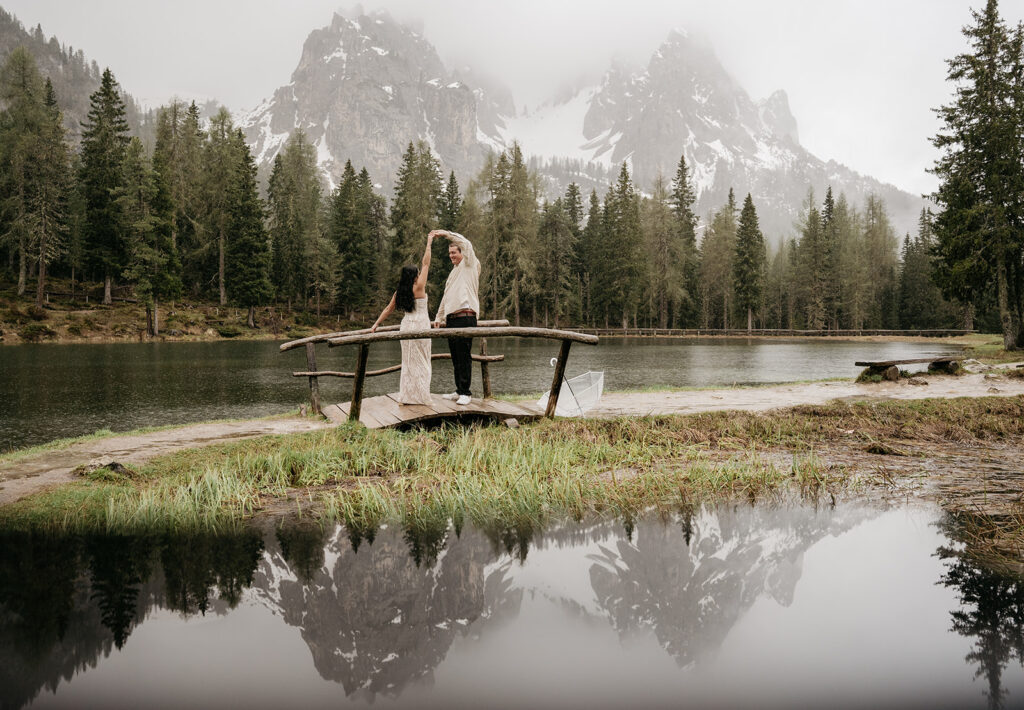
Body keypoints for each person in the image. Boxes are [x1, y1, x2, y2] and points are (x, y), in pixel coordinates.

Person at [370, 233, 433, 404]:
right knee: (423, 362)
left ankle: (407, 396)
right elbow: (426, 263)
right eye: (418, 273)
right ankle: (421, 397)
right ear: (414, 276)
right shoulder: (419, 287)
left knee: (408, 362)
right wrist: (429, 242)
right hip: (420, 325)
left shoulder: (400, 292)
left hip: (406, 326)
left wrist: (376, 324)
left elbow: (388, 309)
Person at [431, 229, 480, 406]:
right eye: (449, 253)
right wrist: (439, 316)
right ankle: (459, 390)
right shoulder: (453, 274)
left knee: (464, 355)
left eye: (454, 252)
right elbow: (446, 296)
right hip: (451, 319)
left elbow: (467, 244)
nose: (451, 256)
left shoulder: (470, 264)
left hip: (466, 316)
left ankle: (466, 393)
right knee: (455, 356)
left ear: (462, 253)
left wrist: (445, 234)